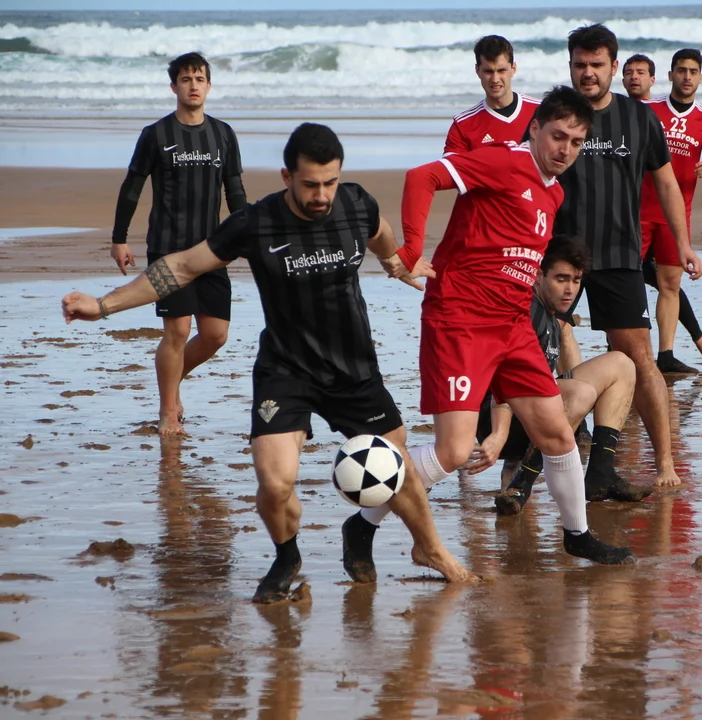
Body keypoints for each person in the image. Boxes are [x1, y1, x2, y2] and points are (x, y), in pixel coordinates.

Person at [63, 123, 475, 602]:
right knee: (275, 484)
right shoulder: (256, 223)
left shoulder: (355, 203)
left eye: (330, 182)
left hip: (353, 368)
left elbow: (380, 233)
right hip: (286, 369)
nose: (321, 195)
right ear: (286, 177)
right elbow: (182, 267)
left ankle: (431, 550)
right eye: (310, 184)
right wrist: (104, 305)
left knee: (394, 467)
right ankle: (286, 555)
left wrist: (395, 262)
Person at [343, 86, 638, 577]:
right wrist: (412, 248)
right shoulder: (503, 160)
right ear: (535, 129)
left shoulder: (554, 191)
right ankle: (363, 523)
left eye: (576, 142)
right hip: (460, 321)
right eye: (557, 136)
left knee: (557, 435)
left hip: (513, 325)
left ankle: (577, 535)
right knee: (454, 451)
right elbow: (423, 176)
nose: (565, 149)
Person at [556, 24, 702, 488]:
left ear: (614, 67)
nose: (588, 73)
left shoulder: (638, 119)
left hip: (619, 254)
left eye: (597, 64)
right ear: (570, 66)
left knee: (639, 359)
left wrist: (682, 243)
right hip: (558, 256)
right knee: (535, 352)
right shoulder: (555, 116)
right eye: (580, 64)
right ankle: (529, 463)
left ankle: (664, 463)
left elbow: (667, 184)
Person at [111, 52, 247, 437]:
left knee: (216, 334)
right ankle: (168, 412)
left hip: (211, 250)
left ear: (209, 85)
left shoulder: (223, 134)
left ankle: (171, 381)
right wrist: (119, 239)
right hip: (168, 249)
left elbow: (235, 189)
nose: (193, 86)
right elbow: (132, 187)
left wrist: (248, 234)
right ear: (174, 86)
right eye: (186, 79)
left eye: (200, 79)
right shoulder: (156, 134)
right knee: (177, 331)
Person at [466, 234, 646, 515]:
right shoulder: (528, 313)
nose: (570, 290)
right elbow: (505, 381)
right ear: (538, 276)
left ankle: (601, 473)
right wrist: (499, 435)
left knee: (621, 364)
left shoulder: (549, 315)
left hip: (527, 411)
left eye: (576, 280)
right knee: (580, 392)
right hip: (495, 420)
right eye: (561, 279)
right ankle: (520, 485)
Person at [622, 52, 702, 373]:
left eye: (693, 71)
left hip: (676, 216)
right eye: (681, 70)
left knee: (669, 284)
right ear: (670, 75)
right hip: (638, 211)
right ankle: (622, 351)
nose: (687, 77)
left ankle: (666, 356)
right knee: (626, 282)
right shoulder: (649, 110)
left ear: (701, 77)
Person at [444, 35, 540, 155]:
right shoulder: (463, 126)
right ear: (477, 70)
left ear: (513, 68)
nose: (495, 79)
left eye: (501, 70)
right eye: (488, 71)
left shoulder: (542, 111)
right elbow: (450, 167)